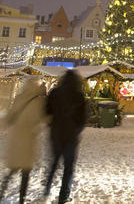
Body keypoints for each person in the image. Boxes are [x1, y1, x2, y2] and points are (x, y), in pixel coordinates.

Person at [0, 78, 46, 204]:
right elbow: (41, 119)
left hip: (17, 138)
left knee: (12, 169)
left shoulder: (19, 99)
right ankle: (21, 199)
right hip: (29, 139)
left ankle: (0, 194)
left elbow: (9, 118)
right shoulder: (37, 102)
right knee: (25, 172)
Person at [43, 70, 87, 203]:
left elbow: (46, 111)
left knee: (54, 163)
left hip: (56, 134)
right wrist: (76, 130)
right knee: (68, 168)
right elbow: (83, 118)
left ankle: (46, 190)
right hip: (70, 136)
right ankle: (64, 196)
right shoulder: (79, 95)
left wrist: (52, 125)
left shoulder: (54, 93)